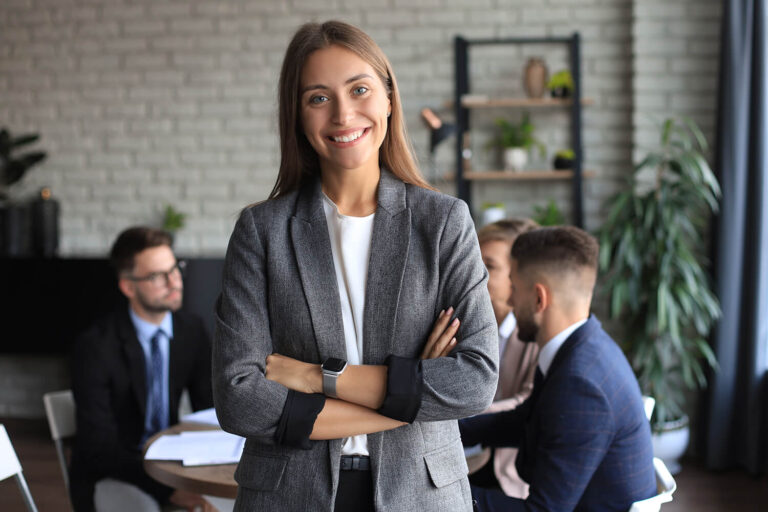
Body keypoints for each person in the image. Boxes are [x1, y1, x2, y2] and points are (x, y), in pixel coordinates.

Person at [213, 20, 498, 512]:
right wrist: (408, 400)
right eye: (318, 98)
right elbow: (239, 399)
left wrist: (314, 377)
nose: (343, 114)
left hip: (422, 494)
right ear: (298, 115)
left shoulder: (443, 222)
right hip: (288, 495)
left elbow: (475, 380)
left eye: (359, 89)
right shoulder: (262, 231)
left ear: (388, 97)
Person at [460, 226, 657, 511]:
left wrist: (444, 493)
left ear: (539, 298)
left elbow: (542, 510)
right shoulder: (583, 346)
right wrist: (447, 431)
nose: (510, 301)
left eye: (514, 288)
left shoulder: (580, 383)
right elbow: (523, 420)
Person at [70, 227, 215, 512]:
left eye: (175, 269)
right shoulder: (95, 346)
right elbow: (99, 449)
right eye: (157, 276)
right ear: (128, 287)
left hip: (171, 460)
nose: (174, 282)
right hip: (113, 473)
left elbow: (209, 408)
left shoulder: (191, 330)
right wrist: (168, 490)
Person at [467, 219, 540, 499]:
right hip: (471, 457)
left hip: (513, 472)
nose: (475, 272)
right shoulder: (467, 323)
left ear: (518, 274)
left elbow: (529, 401)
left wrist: (466, 412)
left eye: (490, 265)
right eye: (474, 260)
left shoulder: (537, 333)